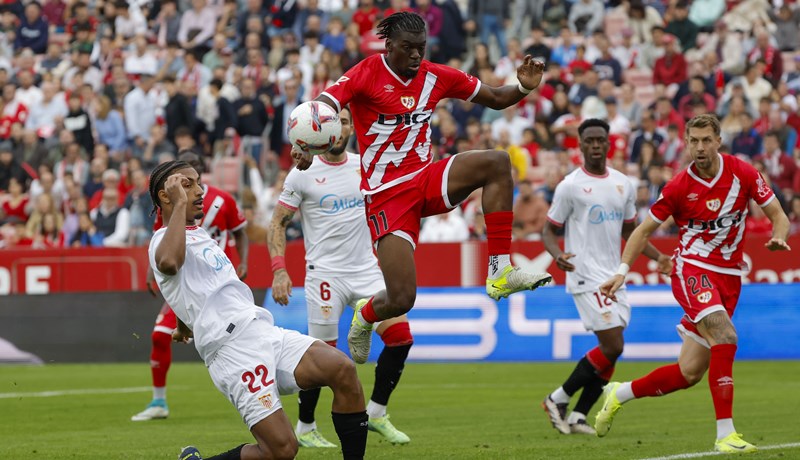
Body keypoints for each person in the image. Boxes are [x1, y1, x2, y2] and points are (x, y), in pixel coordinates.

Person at [292, 12, 552, 364]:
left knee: (497, 162)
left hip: (426, 178)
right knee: (402, 299)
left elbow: (493, 96)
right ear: (389, 46)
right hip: (386, 196)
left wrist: (522, 87)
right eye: (408, 48)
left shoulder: (434, 76)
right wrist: (306, 142)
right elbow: (325, 104)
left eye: (421, 48)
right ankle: (366, 316)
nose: (416, 56)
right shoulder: (366, 72)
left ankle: (499, 270)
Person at [595, 114, 791, 453]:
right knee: (726, 335)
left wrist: (779, 236)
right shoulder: (677, 187)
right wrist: (622, 270)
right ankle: (725, 434)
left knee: (689, 373)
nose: (699, 148)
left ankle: (619, 392)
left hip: (729, 276)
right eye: (693, 141)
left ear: (718, 141)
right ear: (686, 143)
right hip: (691, 268)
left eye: (705, 140)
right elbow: (642, 231)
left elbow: (778, 214)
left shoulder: (742, 173)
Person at [146, 161, 368, 460]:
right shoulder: (163, 239)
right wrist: (179, 204)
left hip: (261, 331)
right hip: (233, 351)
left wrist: (186, 325)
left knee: (342, 370)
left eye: (199, 183)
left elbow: (193, 288)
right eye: (187, 185)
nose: (199, 191)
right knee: (281, 450)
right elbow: (169, 264)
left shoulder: (196, 233)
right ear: (165, 195)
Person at [269, 107, 413, 447]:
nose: (341, 128)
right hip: (325, 276)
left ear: (350, 128)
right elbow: (278, 222)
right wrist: (279, 270)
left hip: (366, 270)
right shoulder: (302, 173)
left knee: (401, 337)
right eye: (337, 121)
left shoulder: (366, 167)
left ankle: (376, 412)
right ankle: (305, 427)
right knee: (324, 359)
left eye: (346, 121)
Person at [540, 119, 672, 436]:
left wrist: (659, 257)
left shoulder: (623, 184)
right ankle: (557, 399)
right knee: (612, 344)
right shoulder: (569, 186)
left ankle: (578, 414)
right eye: (590, 140)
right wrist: (557, 255)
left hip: (613, 275)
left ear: (609, 143)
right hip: (584, 274)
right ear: (581, 145)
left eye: (601, 139)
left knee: (613, 347)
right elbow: (549, 229)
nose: (596, 145)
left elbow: (631, 230)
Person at [132, 151, 249, 422]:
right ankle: (158, 400)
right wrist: (153, 271)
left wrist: (242, 262)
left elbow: (241, 230)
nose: (191, 182)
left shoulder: (222, 200)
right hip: (186, 284)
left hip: (216, 284)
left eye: (195, 173)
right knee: (160, 335)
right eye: (184, 177)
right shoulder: (171, 204)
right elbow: (162, 245)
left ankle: (250, 389)